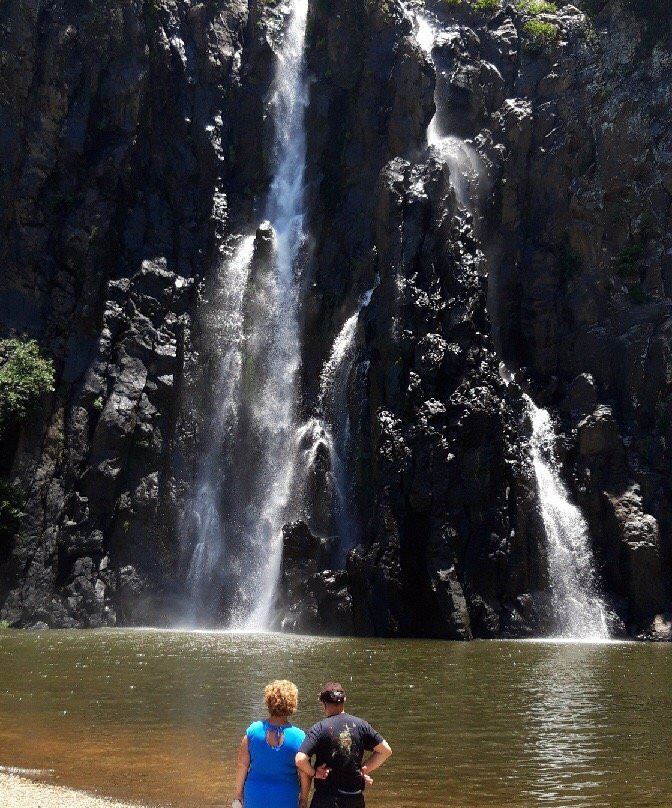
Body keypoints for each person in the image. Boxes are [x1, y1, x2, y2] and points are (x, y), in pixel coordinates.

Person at [295, 681, 392, 808]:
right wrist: (363, 769)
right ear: (344, 700)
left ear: (323, 703)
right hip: (354, 799)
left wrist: (314, 773)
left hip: (326, 799)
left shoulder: (319, 728)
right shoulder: (361, 725)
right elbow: (386, 751)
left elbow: (300, 760)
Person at [232, 679, 311, 808]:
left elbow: (242, 765)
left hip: (255, 794)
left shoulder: (253, 731)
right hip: (286, 796)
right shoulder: (300, 736)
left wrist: (238, 794)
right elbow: (304, 773)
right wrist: (303, 799)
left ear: (268, 702)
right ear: (292, 704)